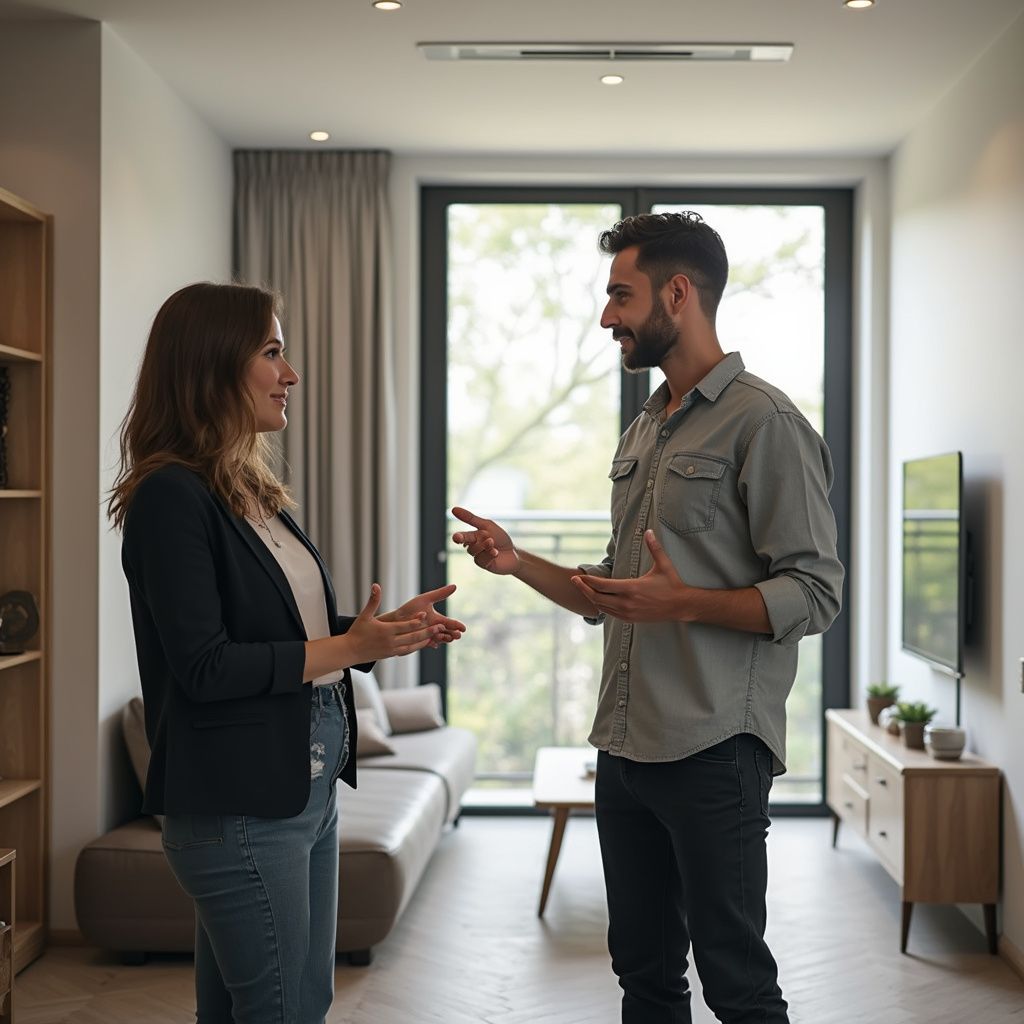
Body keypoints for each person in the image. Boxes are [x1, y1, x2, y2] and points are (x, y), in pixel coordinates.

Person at [452, 211, 843, 1024]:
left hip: (714, 754)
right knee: (643, 974)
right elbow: (615, 592)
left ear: (678, 292)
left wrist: (686, 603)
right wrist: (518, 561)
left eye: (618, 296)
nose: (606, 318)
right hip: (624, 753)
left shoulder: (765, 424)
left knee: (736, 982)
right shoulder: (645, 427)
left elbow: (815, 594)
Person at [108, 282, 465, 1024]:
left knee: (269, 1005)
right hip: (239, 806)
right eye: (272, 352)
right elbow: (205, 666)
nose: (291, 373)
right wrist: (346, 644)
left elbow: (278, 626)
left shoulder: (246, 489)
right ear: (211, 367)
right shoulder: (170, 498)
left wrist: (378, 632)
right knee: (284, 1008)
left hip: (305, 789)